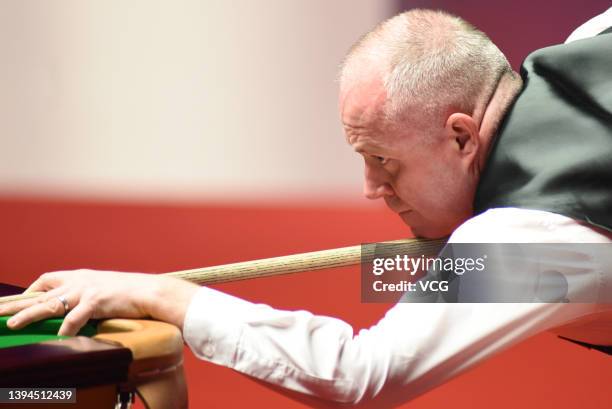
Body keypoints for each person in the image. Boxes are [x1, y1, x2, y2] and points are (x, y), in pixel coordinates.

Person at [1, 7, 611, 406]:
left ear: (460, 135)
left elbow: (361, 374)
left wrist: (165, 296)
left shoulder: (529, 238)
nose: (371, 188)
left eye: (383, 160)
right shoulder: (593, 41)